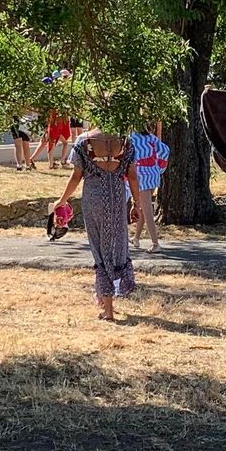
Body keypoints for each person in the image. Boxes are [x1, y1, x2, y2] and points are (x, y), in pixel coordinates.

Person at [52, 127, 145, 321]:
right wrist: (137, 204)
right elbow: (132, 176)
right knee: (116, 247)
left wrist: (62, 201)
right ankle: (103, 298)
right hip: (117, 198)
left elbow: (76, 176)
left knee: (100, 250)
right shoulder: (125, 142)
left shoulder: (84, 142)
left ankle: (107, 308)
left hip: (93, 200)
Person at [128, 118, 168, 253]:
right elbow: (165, 150)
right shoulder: (152, 138)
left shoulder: (131, 138)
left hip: (141, 176)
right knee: (144, 208)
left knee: (147, 210)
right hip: (153, 174)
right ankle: (136, 238)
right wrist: (160, 168)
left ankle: (155, 243)